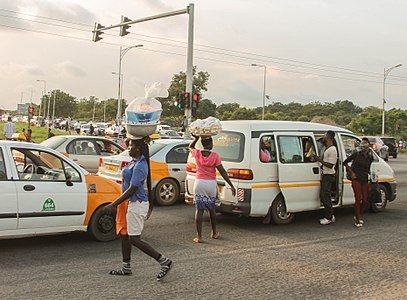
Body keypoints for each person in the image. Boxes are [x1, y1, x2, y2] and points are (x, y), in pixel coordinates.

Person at [104, 137, 173, 281]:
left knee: (134, 239)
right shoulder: (133, 162)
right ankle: (126, 267)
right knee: (123, 234)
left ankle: (163, 261)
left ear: (139, 149)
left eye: (131, 146)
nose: (128, 148)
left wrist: (114, 204)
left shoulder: (141, 165)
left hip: (137, 204)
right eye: (128, 146)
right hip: (128, 204)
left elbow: (132, 188)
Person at [189, 135, 236, 243]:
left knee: (199, 210)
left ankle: (199, 236)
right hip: (210, 184)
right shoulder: (215, 156)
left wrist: (196, 138)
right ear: (211, 144)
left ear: (202, 144)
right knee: (212, 209)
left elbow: (190, 147)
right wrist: (231, 185)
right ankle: (214, 233)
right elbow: (223, 171)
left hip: (199, 183)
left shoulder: (197, 153)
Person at [343, 137, 374, 228]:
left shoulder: (370, 157)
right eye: (361, 143)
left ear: (368, 145)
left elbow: (368, 168)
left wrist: (371, 175)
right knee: (358, 198)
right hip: (356, 179)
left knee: (364, 200)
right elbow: (345, 163)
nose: (363, 145)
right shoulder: (356, 154)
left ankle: (358, 214)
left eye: (365, 143)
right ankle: (357, 219)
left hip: (364, 179)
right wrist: (351, 172)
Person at [312, 130, 338, 225]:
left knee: (325, 196)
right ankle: (330, 215)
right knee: (325, 195)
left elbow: (331, 165)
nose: (324, 137)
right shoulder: (328, 148)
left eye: (325, 136)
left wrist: (320, 160)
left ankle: (329, 217)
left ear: (329, 138)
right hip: (326, 174)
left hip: (329, 175)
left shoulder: (332, 150)